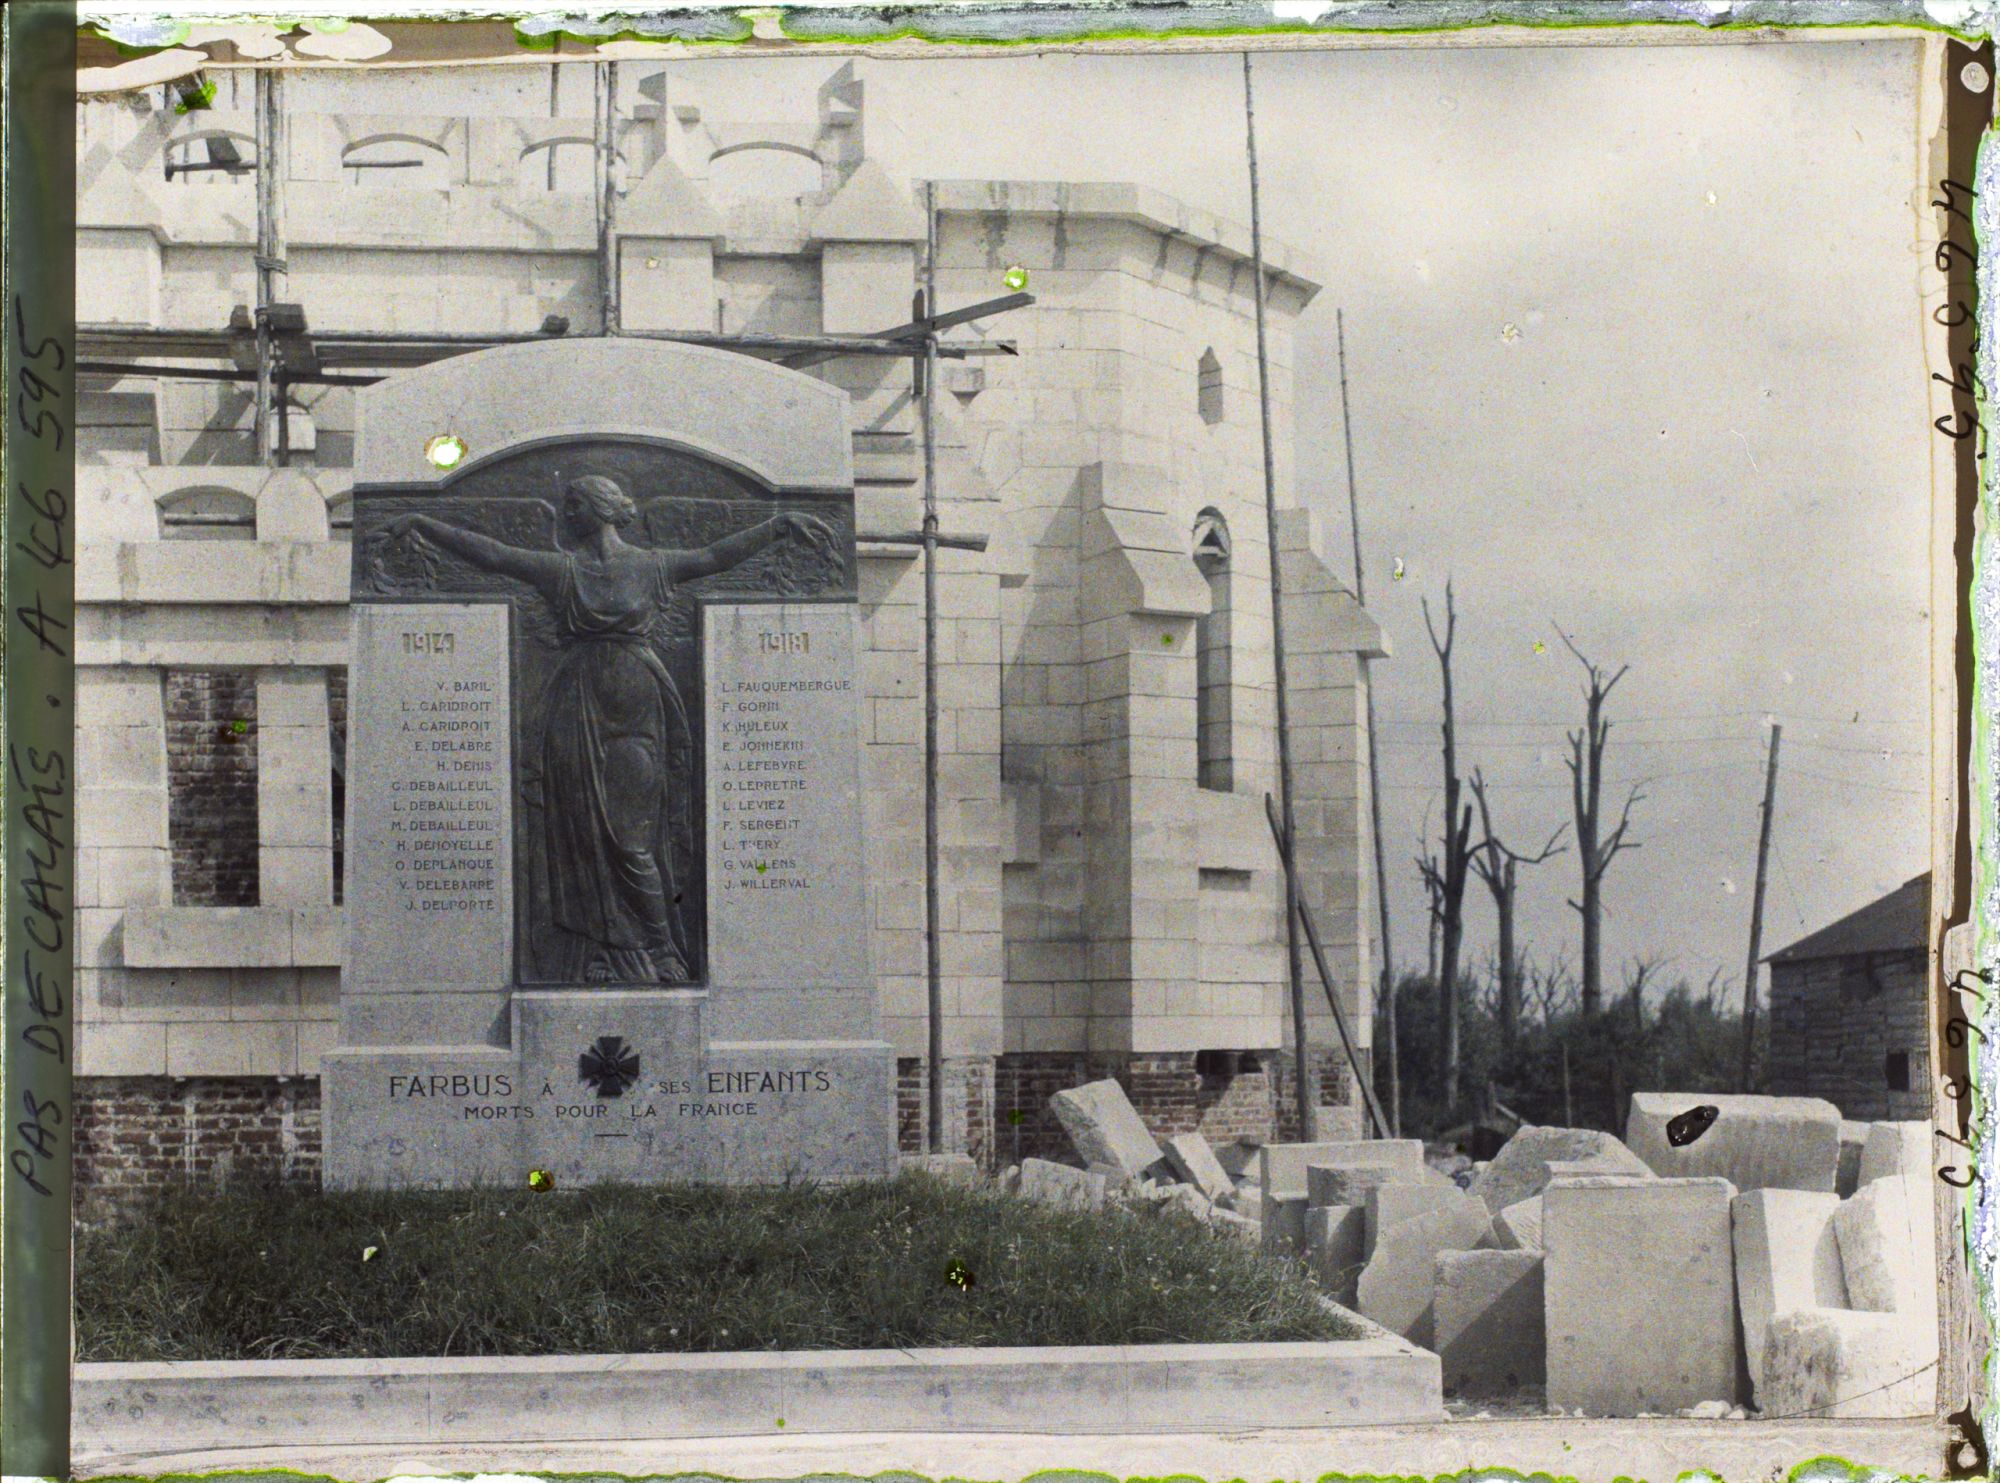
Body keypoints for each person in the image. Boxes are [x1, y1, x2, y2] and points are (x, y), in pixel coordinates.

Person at [383, 473, 834, 984]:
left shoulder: (652, 566)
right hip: (573, 711)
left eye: (572, 503)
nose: (565, 512)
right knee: (574, 836)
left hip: (637, 712)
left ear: (598, 509)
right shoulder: (562, 571)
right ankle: (597, 953)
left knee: (631, 838)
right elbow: (493, 555)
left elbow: (713, 558)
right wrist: (424, 523)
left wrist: (778, 526)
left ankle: (662, 947)